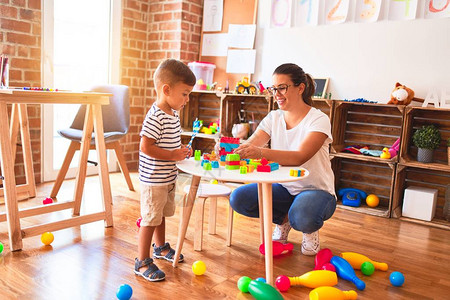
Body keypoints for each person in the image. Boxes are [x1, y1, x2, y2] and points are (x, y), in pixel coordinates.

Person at [229, 63, 336, 256]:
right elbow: (254, 142)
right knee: (239, 198)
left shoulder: (318, 119)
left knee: (302, 217)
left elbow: (299, 157)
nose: (276, 93)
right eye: (274, 88)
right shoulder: (274, 117)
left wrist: (259, 153)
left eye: (282, 88)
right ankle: (283, 220)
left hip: (317, 191)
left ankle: (307, 228)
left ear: (300, 88)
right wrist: (235, 151)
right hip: (285, 188)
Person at [135, 59, 195, 281]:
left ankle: (159, 247)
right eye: (185, 94)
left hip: (167, 176)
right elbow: (146, 146)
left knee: (160, 215)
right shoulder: (156, 116)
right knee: (150, 218)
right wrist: (171, 155)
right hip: (153, 179)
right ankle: (141, 261)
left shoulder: (173, 113)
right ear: (166, 90)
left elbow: (165, 142)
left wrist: (177, 149)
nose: (187, 100)